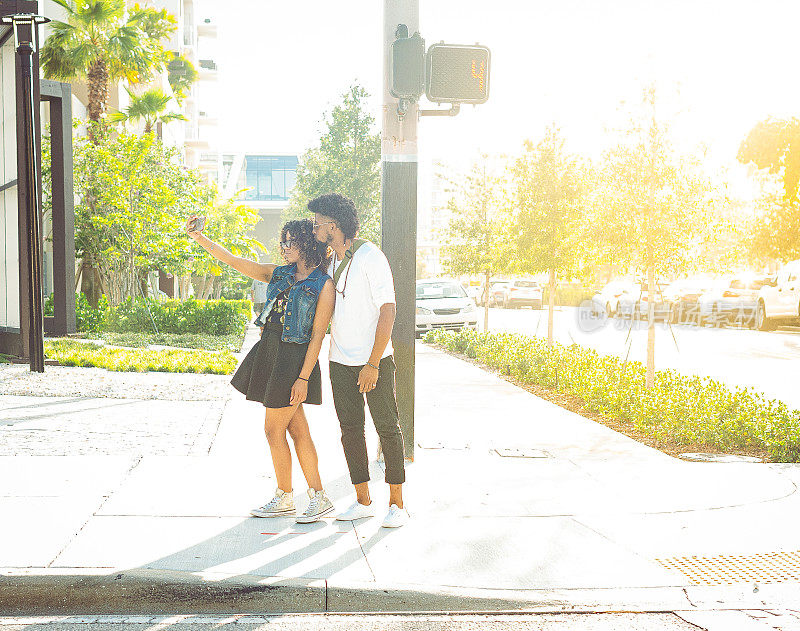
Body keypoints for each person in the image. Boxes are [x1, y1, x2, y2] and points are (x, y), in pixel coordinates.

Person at [186, 216, 336, 523]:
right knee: (297, 430)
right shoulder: (279, 273)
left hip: (292, 360)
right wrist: (201, 238)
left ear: (307, 242)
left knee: (273, 430)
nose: (283, 248)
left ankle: (288, 496)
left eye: (289, 242)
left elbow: (318, 335)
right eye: (282, 242)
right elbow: (233, 261)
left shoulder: (324, 284)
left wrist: (303, 377)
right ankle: (315, 497)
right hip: (270, 351)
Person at [309, 193, 409, 528]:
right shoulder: (332, 260)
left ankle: (397, 504)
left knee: (387, 429)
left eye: (318, 222)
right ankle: (363, 500)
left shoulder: (370, 257)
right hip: (339, 361)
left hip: (373, 362)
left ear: (333, 225)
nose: (315, 227)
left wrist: (374, 363)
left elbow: (388, 310)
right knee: (350, 431)